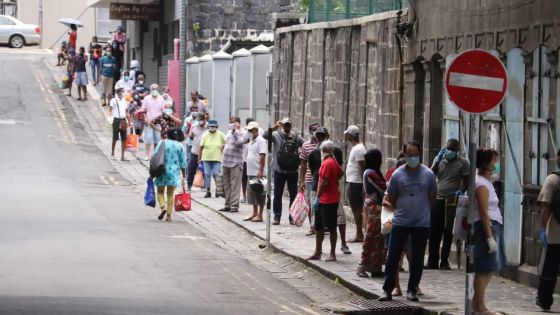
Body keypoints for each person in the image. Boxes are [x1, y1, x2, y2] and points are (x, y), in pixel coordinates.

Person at [379, 140, 437, 302]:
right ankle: (387, 289)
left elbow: (432, 197)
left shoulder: (428, 175)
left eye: (415, 155)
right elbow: (392, 197)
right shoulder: (398, 175)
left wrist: (420, 209)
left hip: (421, 223)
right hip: (400, 222)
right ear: (404, 155)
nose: (412, 158)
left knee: (417, 258)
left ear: (420, 155)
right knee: (393, 257)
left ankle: (412, 289)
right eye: (409, 155)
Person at [471, 148, 506, 314]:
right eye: (493, 161)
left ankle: (477, 303)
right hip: (487, 226)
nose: (496, 165)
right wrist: (490, 237)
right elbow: (484, 212)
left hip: (494, 224)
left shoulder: (486, 182)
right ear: (486, 164)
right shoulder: (481, 184)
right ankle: (479, 306)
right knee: (485, 267)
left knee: (491, 267)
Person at [426, 139, 469, 270]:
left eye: (452, 149)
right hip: (437, 198)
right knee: (434, 231)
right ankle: (432, 261)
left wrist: (460, 191)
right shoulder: (440, 160)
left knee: (448, 230)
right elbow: (430, 174)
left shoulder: (463, 163)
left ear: (457, 150)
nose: (449, 151)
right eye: (448, 148)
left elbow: (466, 181)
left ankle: (444, 261)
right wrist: (437, 161)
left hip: (452, 200)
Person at [308, 127, 351, 255]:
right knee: (319, 224)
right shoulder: (314, 154)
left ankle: (338, 247)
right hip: (319, 191)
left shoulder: (330, 160)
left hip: (328, 196)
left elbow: (327, 180)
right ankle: (318, 250)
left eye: (322, 135)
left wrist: (332, 182)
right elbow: (314, 172)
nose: (320, 138)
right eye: (318, 136)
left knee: (335, 222)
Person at [307, 140, 344, 262]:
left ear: (323, 150)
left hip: (328, 200)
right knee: (319, 227)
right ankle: (318, 251)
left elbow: (324, 182)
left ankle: (332, 253)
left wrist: (317, 197)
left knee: (331, 227)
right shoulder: (333, 161)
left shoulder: (327, 163)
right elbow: (340, 173)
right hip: (327, 198)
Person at [265, 118, 304, 225]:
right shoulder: (276, 135)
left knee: (293, 195)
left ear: (291, 126)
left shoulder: (296, 137)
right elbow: (265, 135)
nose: (287, 127)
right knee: (278, 194)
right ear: (282, 126)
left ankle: (292, 217)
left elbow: (304, 145)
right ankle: (277, 217)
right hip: (279, 170)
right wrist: (275, 126)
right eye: (285, 125)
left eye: (288, 125)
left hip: (293, 171)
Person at [356, 149, 387, 278]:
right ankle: (362, 266)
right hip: (374, 209)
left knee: (378, 239)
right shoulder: (371, 173)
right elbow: (383, 188)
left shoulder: (370, 172)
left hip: (375, 208)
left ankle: (375, 267)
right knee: (371, 237)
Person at [536, 149, 560, 311]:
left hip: (554, 234)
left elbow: (545, 206)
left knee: (549, 270)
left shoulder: (552, 179)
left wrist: (543, 229)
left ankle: (544, 301)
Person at [154, 128, 187, 222]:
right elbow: (183, 162)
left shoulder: (162, 143)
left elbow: (155, 155)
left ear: (167, 134)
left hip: (161, 170)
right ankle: (168, 215)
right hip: (173, 172)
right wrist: (184, 176)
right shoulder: (180, 146)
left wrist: (152, 170)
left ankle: (162, 207)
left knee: (160, 191)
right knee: (170, 194)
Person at [344, 125, 367, 242]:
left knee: (356, 209)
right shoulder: (357, 148)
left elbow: (363, 168)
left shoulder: (358, 149)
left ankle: (359, 234)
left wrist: (364, 184)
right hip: (353, 181)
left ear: (350, 135)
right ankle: (359, 233)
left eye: (347, 134)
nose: (346, 136)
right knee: (355, 209)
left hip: (355, 182)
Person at [219, 116, 246, 213]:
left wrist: (236, 132)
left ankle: (234, 205)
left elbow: (240, 142)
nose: (231, 124)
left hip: (235, 163)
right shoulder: (228, 132)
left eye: (233, 122)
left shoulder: (242, 133)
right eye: (230, 122)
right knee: (226, 184)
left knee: (235, 185)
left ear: (238, 123)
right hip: (226, 161)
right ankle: (227, 204)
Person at [299, 122, 320, 235]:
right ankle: (312, 226)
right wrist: (301, 180)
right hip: (309, 178)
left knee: (320, 202)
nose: (315, 132)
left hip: (322, 178)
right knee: (310, 203)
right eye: (313, 130)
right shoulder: (306, 145)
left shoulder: (323, 145)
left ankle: (320, 225)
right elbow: (303, 164)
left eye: (317, 129)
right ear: (310, 131)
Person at [243, 121, 267, 222]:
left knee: (259, 193)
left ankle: (260, 214)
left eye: (251, 130)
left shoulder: (261, 140)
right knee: (252, 193)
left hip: (257, 171)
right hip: (250, 170)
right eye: (249, 130)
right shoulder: (251, 140)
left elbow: (262, 155)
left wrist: (260, 170)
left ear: (256, 130)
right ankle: (254, 212)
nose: (249, 131)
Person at [199, 120, 226, 198]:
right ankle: (208, 191)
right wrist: (199, 158)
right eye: (211, 126)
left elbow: (227, 141)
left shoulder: (221, 134)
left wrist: (223, 147)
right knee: (207, 174)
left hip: (217, 157)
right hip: (206, 157)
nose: (212, 128)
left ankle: (218, 189)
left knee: (216, 174)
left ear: (217, 127)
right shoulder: (205, 134)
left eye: (214, 126)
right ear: (208, 126)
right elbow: (201, 147)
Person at [141, 84, 165, 160]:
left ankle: (156, 155)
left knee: (157, 139)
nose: (154, 90)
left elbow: (163, 111)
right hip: (149, 121)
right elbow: (143, 110)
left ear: (158, 90)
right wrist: (145, 118)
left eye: (156, 89)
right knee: (148, 138)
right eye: (153, 89)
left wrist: (162, 121)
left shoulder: (161, 98)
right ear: (150, 90)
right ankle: (147, 154)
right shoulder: (147, 98)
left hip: (158, 122)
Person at [186, 112, 208, 190]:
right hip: (195, 150)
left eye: (201, 120)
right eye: (198, 120)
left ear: (204, 119)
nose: (199, 121)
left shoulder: (208, 127)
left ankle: (205, 186)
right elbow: (191, 136)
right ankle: (189, 184)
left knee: (205, 169)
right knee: (191, 168)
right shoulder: (194, 126)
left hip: (206, 152)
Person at [107, 88, 129, 161]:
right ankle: (112, 154)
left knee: (124, 138)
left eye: (121, 92)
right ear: (117, 93)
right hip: (116, 120)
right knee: (115, 138)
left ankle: (122, 155)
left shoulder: (124, 101)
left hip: (123, 120)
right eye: (119, 92)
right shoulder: (113, 100)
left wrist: (129, 121)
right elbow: (110, 110)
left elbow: (126, 112)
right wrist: (110, 118)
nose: (120, 94)